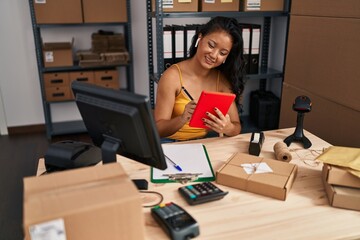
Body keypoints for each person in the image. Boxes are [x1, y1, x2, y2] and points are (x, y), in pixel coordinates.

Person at [154, 16, 246, 142]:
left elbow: (237, 126)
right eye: (211, 45)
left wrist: (228, 128)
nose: (214, 55)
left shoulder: (221, 80)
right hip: (172, 142)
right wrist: (182, 119)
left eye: (222, 53)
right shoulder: (172, 77)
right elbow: (158, 129)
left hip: (205, 141)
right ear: (200, 38)